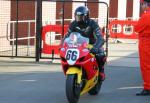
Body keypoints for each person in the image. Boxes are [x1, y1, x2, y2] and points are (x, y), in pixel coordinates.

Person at [62, 6, 106, 80]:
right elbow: (67, 36)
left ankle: (101, 70)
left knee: (101, 54)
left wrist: (96, 47)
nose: (78, 18)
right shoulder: (73, 24)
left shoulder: (93, 23)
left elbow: (100, 37)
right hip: (77, 44)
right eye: (76, 16)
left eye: (80, 17)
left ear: (86, 16)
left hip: (91, 44)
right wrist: (62, 45)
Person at [135, 0, 150, 96]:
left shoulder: (146, 16)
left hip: (146, 42)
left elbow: (137, 28)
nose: (141, 6)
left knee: (146, 66)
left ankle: (148, 88)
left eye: (142, 4)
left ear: (146, 4)